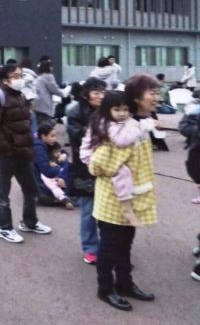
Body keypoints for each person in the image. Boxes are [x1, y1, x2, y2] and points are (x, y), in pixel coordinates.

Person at [87, 74, 158, 311]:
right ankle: (105, 289)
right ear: (137, 97)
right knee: (109, 248)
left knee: (125, 245)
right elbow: (98, 164)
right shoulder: (122, 129)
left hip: (130, 198)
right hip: (113, 200)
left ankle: (125, 283)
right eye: (152, 93)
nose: (156, 97)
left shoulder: (135, 124)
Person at [0, 64, 51, 243]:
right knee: (3, 193)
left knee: (30, 189)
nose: (20, 78)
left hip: (23, 153)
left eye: (21, 75)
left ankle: (29, 222)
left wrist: (30, 146)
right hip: (6, 155)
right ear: (6, 79)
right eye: (16, 76)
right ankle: (4, 228)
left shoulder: (21, 96)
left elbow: (26, 125)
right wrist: (6, 148)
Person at [85, 91, 146, 228]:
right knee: (122, 173)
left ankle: (127, 204)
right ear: (108, 109)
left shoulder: (108, 121)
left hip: (99, 156)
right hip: (94, 158)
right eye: (117, 109)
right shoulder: (106, 123)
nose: (122, 113)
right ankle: (126, 207)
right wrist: (138, 128)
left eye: (125, 109)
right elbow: (121, 141)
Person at [66, 77, 106, 265]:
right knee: (88, 210)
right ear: (86, 93)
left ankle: (108, 246)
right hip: (84, 168)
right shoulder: (75, 111)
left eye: (103, 92)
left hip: (107, 167)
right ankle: (90, 248)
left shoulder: (108, 109)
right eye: (96, 92)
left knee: (108, 209)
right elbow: (78, 137)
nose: (100, 96)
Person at [33, 123, 74, 209]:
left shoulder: (47, 144)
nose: (55, 139)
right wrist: (61, 173)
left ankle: (63, 196)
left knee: (66, 162)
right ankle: (63, 197)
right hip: (43, 179)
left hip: (48, 176)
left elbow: (59, 151)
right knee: (67, 168)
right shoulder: (39, 148)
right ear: (43, 136)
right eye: (52, 136)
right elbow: (46, 170)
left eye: (55, 136)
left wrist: (63, 156)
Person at [179, 89, 200, 204]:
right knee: (194, 168)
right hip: (197, 144)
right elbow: (183, 127)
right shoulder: (193, 107)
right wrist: (196, 132)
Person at [33, 60, 64, 127]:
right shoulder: (48, 77)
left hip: (36, 104)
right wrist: (63, 94)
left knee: (39, 124)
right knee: (45, 125)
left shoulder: (39, 77)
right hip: (44, 105)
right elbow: (55, 89)